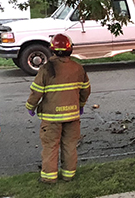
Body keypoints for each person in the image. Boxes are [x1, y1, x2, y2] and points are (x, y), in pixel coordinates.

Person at [25, 33, 91, 182]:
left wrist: (30, 106)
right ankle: (68, 175)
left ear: (52, 49)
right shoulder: (78, 68)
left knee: (50, 146)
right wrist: (80, 105)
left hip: (51, 117)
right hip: (72, 116)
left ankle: (49, 177)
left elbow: (36, 91)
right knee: (69, 145)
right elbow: (86, 90)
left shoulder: (46, 69)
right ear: (70, 49)